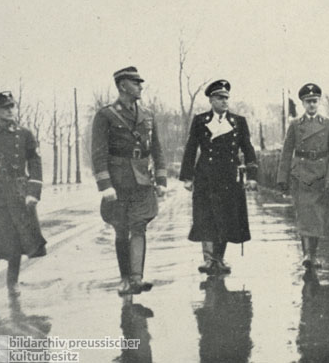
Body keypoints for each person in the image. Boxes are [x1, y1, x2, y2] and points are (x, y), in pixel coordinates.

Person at [91, 66, 167, 295]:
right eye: (136, 83)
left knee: (139, 226)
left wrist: (162, 180)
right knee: (122, 230)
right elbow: (98, 153)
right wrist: (105, 185)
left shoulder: (148, 115)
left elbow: (157, 150)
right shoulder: (106, 115)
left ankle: (137, 278)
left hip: (143, 180)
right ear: (123, 85)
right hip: (118, 181)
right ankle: (125, 278)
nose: (140, 87)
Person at [180, 79, 258, 275]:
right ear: (211, 100)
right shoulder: (200, 121)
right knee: (205, 216)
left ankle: (219, 258)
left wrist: (252, 176)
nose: (224, 101)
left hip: (229, 176)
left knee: (226, 217)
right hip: (205, 175)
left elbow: (248, 149)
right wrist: (187, 177)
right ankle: (208, 259)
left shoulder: (238, 122)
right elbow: (191, 149)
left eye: (226, 98)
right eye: (220, 98)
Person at [0, 91, 46, 299]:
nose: (10, 111)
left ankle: (12, 282)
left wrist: (33, 192)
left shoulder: (24, 134)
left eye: (12, 106)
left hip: (17, 195)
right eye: (5, 107)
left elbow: (34, 161)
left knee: (15, 241)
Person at [277, 83, 329, 269]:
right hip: (301, 174)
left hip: (321, 174)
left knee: (318, 216)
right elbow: (287, 151)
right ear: (303, 104)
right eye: (308, 102)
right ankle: (307, 254)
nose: (311, 105)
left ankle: (313, 254)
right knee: (305, 215)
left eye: (314, 101)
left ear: (319, 102)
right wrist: (282, 178)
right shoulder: (295, 125)